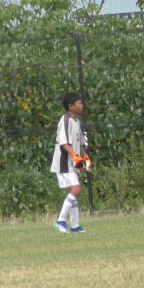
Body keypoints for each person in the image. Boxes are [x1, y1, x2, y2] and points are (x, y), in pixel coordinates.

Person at [50, 92, 90, 233]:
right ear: (71, 106)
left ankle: (74, 226)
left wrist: (85, 157)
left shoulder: (76, 121)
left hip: (71, 163)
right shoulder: (65, 120)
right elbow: (64, 143)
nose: (81, 105)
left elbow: (80, 143)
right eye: (79, 103)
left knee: (73, 193)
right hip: (64, 163)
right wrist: (74, 156)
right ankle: (60, 220)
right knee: (76, 190)